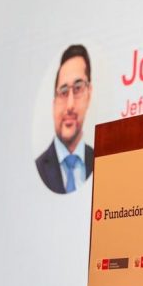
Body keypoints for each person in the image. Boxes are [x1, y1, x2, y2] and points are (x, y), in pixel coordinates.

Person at [35, 44, 94, 194]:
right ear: (54, 102)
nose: (70, 105)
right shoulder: (38, 169)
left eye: (78, 88)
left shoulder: (101, 162)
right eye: (63, 92)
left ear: (89, 94)